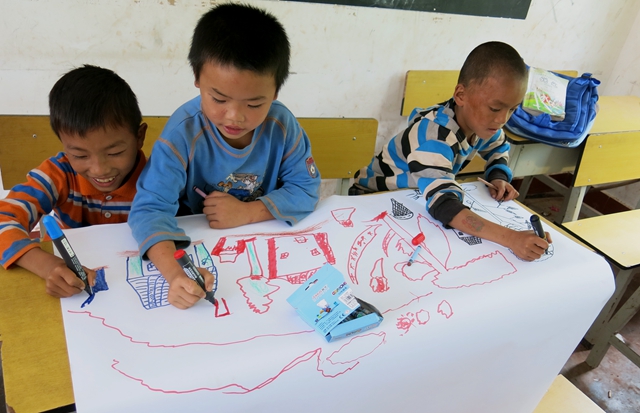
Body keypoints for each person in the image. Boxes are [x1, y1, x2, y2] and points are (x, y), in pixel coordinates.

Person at [128, 3, 321, 309]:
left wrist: (248, 212)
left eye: (254, 104)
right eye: (218, 99)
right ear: (197, 78)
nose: (234, 116)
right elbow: (149, 210)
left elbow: (307, 188)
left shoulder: (282, 126)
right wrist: (175, 274)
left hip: (262, 250)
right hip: (204, 245)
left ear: (275, 93)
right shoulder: (182, 134)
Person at [351, 41, 551, 261]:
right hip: (371, 202)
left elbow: (498, 147)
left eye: (512, 109)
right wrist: (512, 238)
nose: (502, 119)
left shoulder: (483, 124)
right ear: (461, 95)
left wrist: (498, 176)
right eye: (495, 108)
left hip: (414, 195)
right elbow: (445, 205)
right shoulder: (433, 137)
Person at [0, 65, 147, 296]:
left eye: (115, 152)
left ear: (139, 137)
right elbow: (4, 219)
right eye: (80, 155)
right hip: (67, 284)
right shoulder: (58, 174)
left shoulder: (159, 180)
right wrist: (48, 266)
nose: (99, 169)